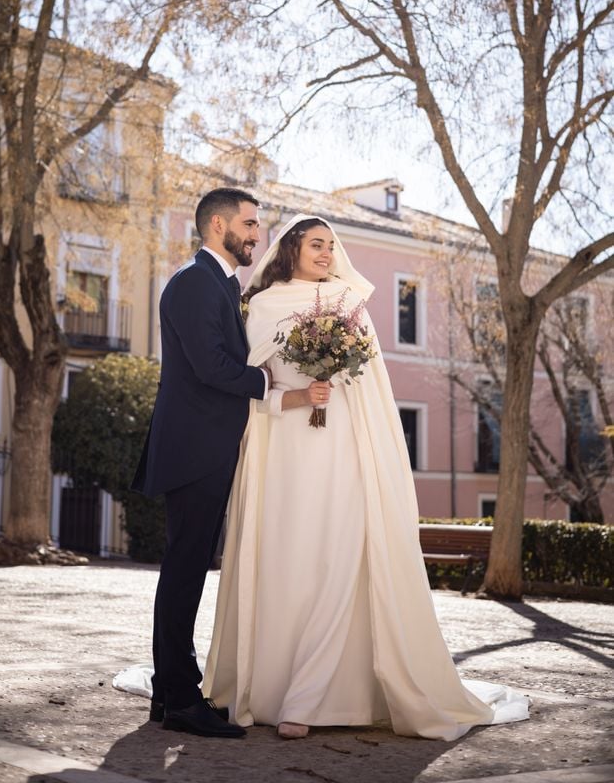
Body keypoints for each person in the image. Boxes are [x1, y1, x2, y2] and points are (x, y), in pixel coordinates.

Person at [202, 213, 530, 741]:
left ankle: (307, 699)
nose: (327, 253)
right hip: (285, 454)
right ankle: (271, 687)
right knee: (289, 565)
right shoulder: (260, 307)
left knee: (338, 560)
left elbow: (372, 389)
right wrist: (299, 395)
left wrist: (353, 417)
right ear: (290, 249)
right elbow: (251, 390)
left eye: (331, 245)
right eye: (316, 244)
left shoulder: (348, 304)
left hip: (343, 451)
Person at [130, 187, 270, 739]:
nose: (257, 234)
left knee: (186, 572)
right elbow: (212, 366)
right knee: (184, 572)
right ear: (217, 225)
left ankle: (170, 695)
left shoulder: (215, 283)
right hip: (194, 451)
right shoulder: (194, 282)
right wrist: (266, 381)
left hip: (204, 448)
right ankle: (182, 701)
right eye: (250, 223)